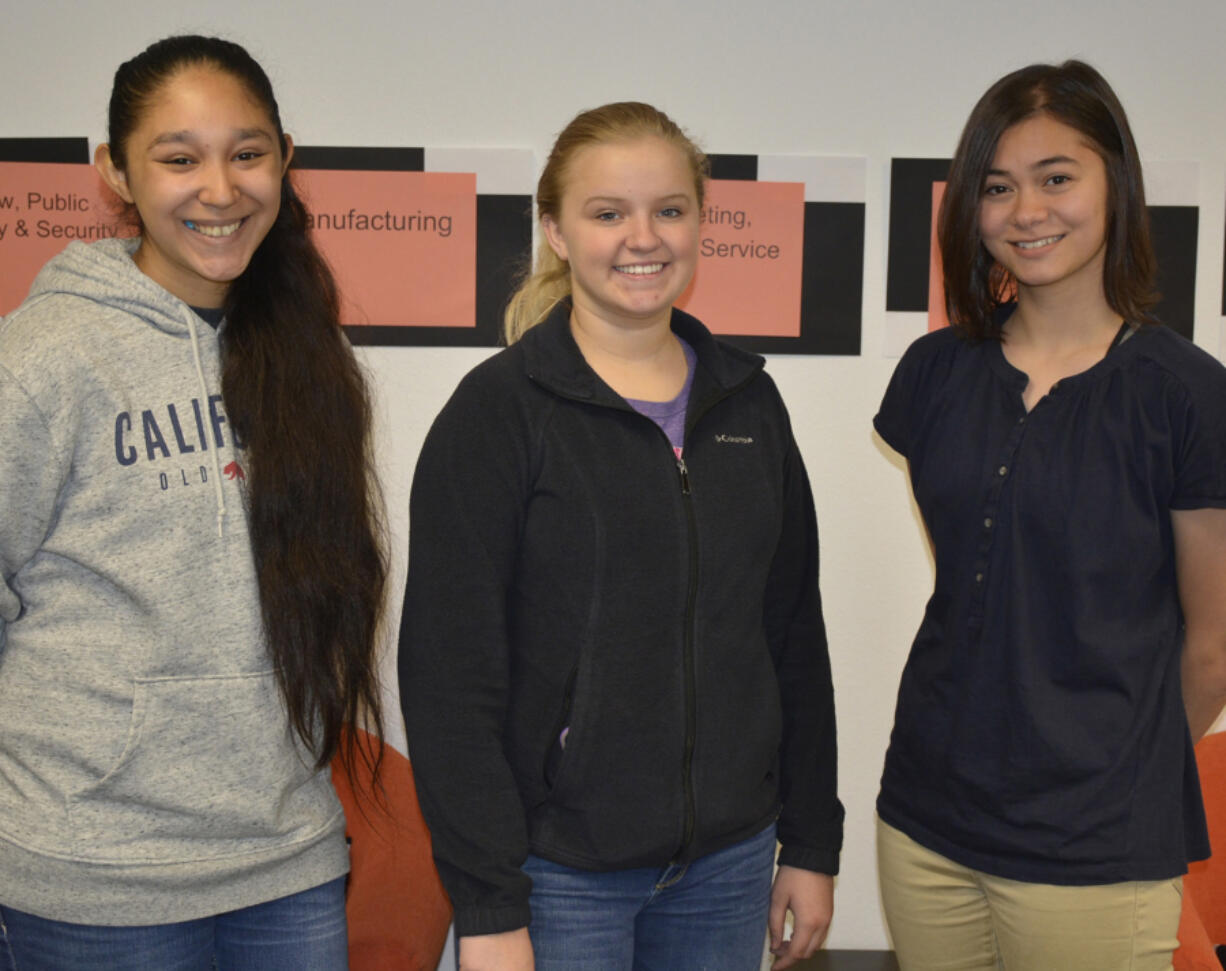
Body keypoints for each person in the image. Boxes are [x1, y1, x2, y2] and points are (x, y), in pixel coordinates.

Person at [400, 102, 843, 971]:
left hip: (730, 864)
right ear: (558, 231)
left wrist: (812, 841)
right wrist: (487, 905)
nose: (643, 237)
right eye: (607, 213)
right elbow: (449, 679)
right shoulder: (498, 414)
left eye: (669, 210)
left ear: (700, 222)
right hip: (558, 876)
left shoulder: (748, 403)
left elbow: (792, 636)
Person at [0, 35, 386, 970]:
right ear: (116, 174)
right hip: (91, 876)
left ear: (285, 161)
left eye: (247, 154)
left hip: (287, 859)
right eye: (179, 158)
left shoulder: (307, 353)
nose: (220, 189)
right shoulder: (45, 359)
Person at [873, 60, 1226, 970]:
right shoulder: (934, 375)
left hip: (1094, 848)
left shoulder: (1185, 393)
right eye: (998, 187)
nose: (1026, 211)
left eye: (1057, 177)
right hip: (925, 823)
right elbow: (977, 583)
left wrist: (1114, 770)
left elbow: (1214, 643)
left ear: (1118, 183)